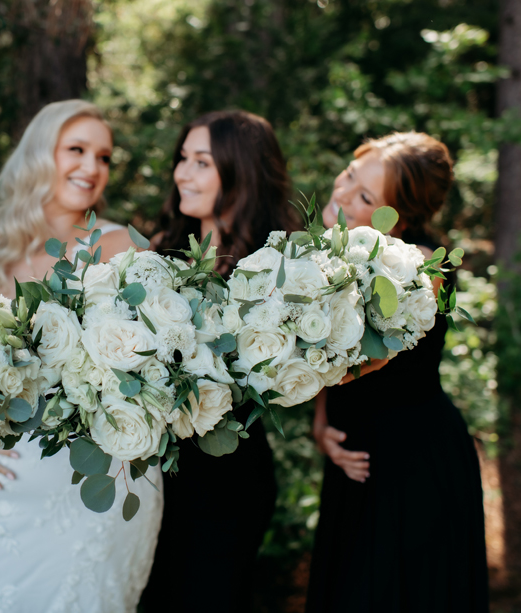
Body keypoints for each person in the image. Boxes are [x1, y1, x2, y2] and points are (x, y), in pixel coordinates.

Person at [0, 99, 163, 613]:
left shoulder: (122, 249)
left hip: (91, 486)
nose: (92, 167)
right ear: (40, 153)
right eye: (76, 149)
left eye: (104, 157)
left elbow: (154, 365)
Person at [306, 132, 489, 612]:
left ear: (400, 219)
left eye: (366, 196)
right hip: (354, 456)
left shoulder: (425, 270)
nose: (343, 193)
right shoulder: (331, 251)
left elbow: (355, 362)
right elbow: (322, 362)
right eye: (350, 174)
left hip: (410, 467)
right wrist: (321, 425)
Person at [142, 110, 299, 612]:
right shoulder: (160, 252)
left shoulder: (278, 268)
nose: (182, 174)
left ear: (240, 171)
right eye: (182, 158)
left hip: (226, 476)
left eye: (201, 162)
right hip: (152, 470)